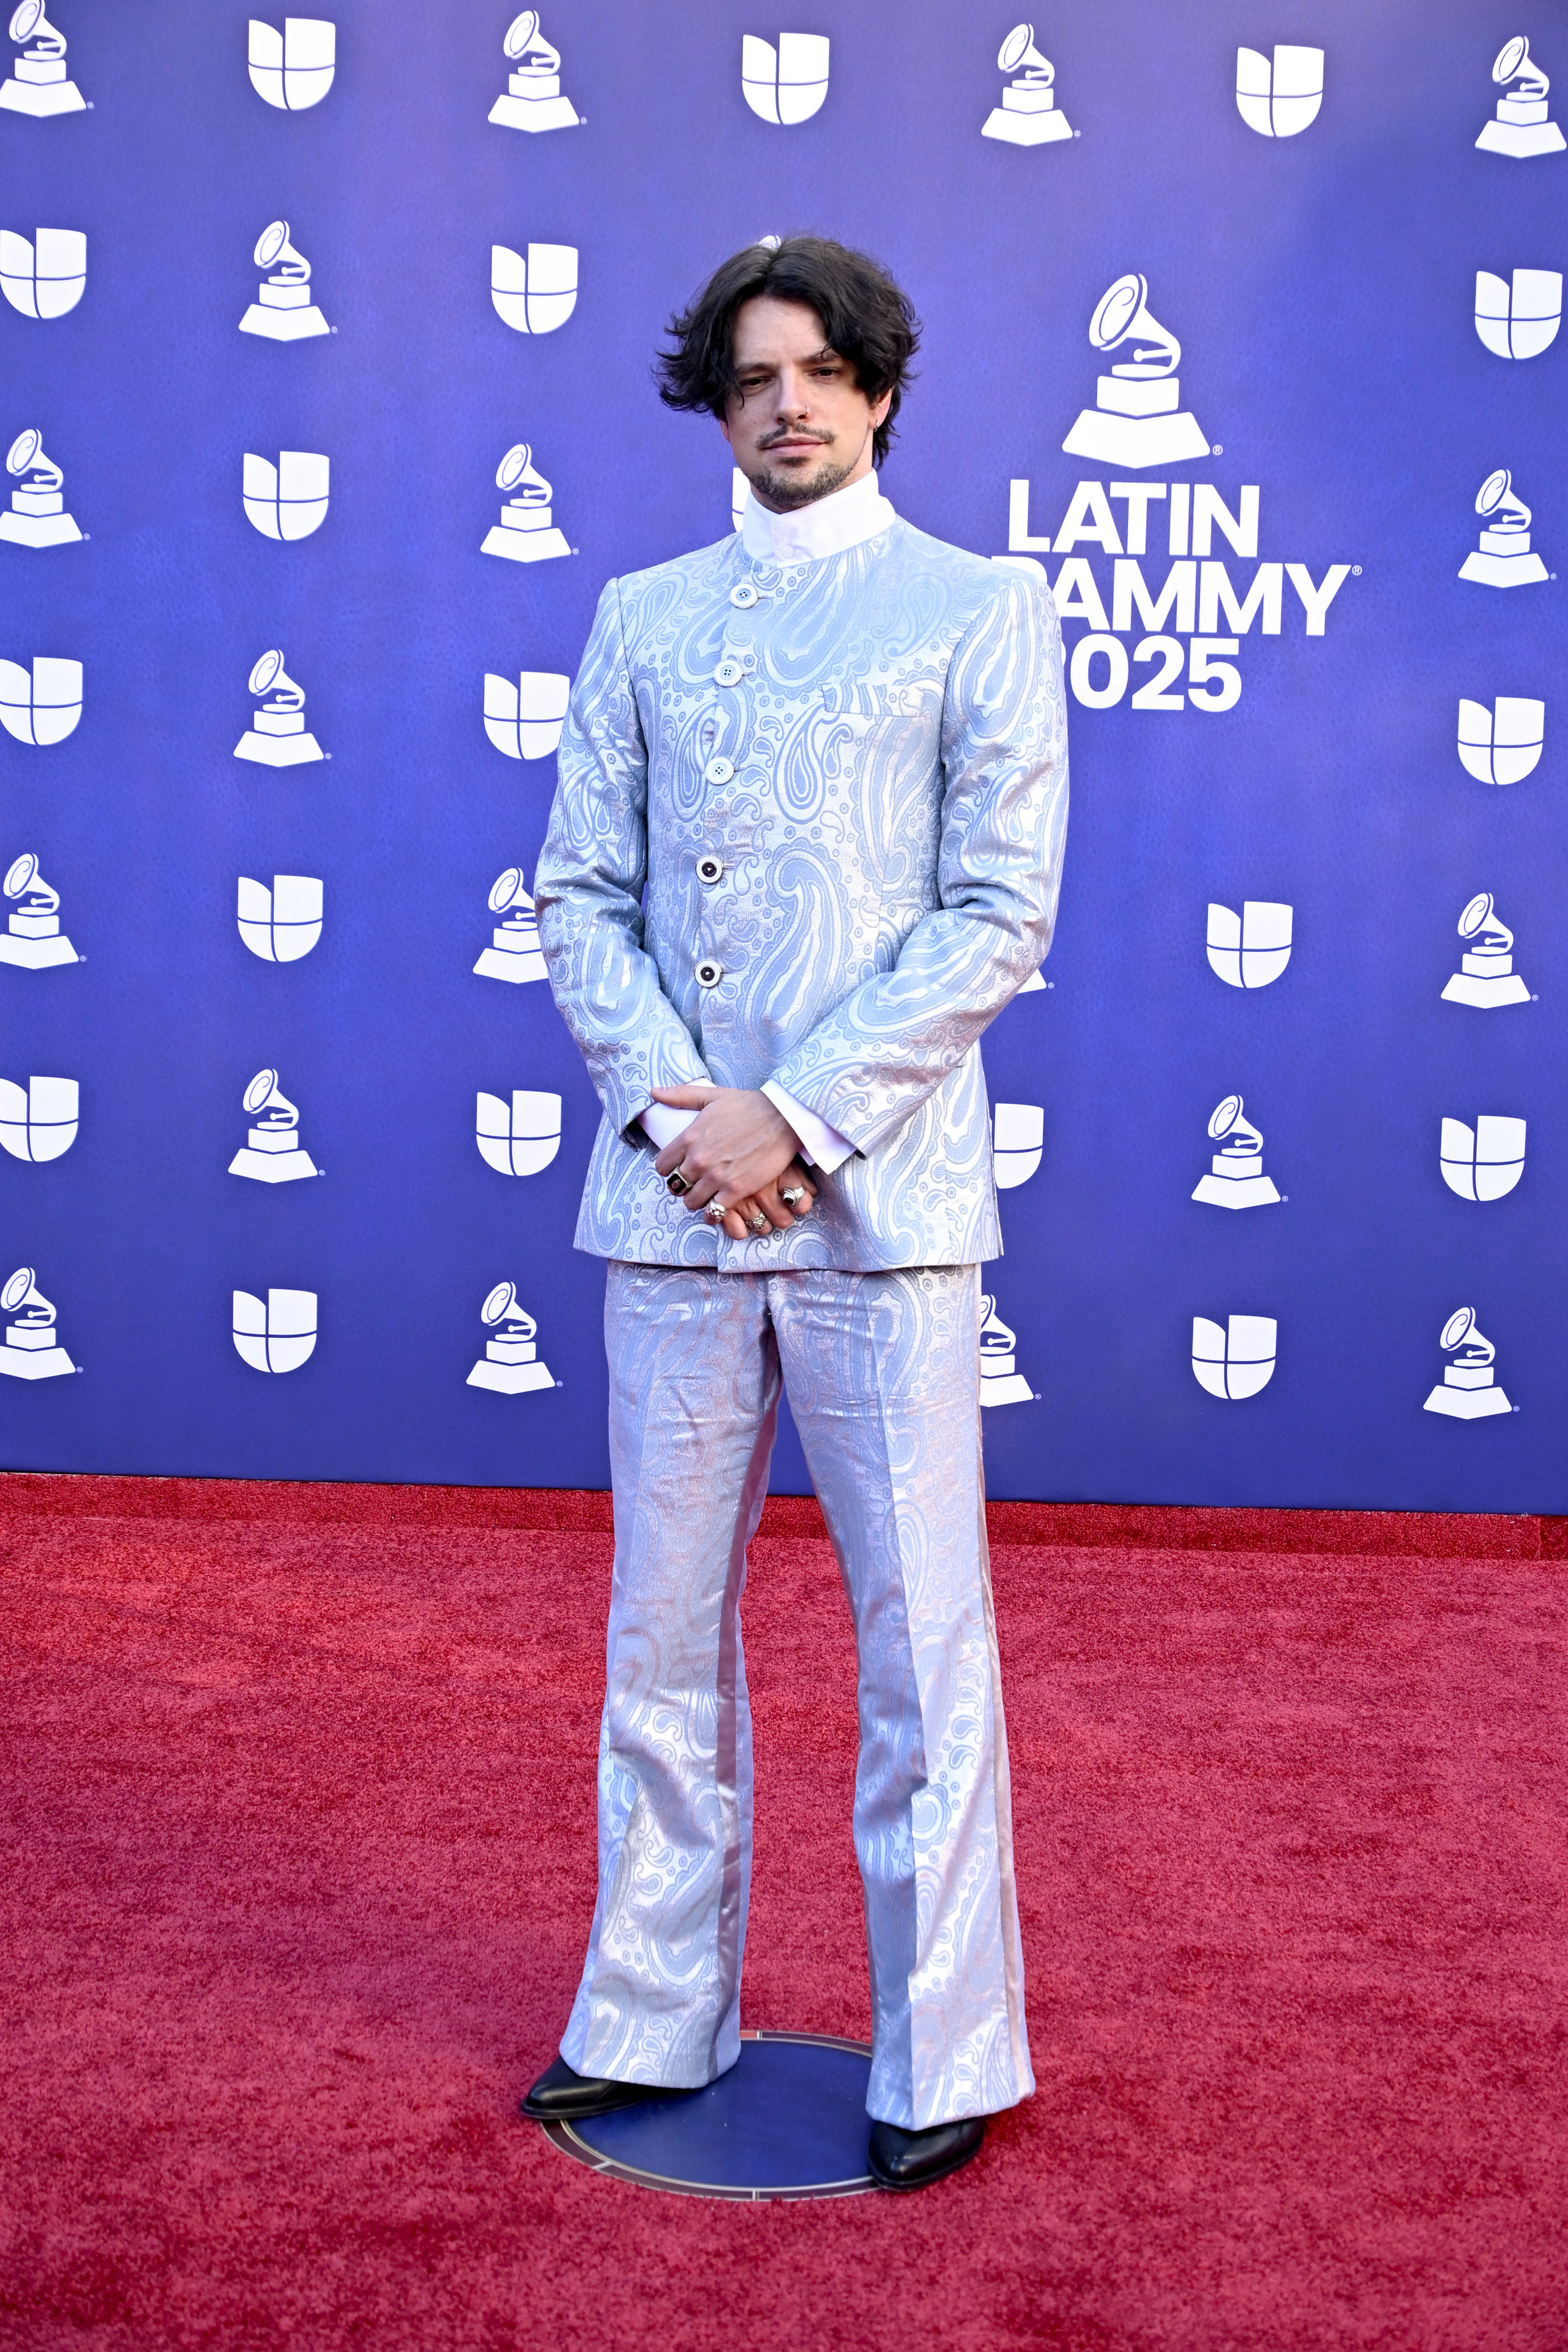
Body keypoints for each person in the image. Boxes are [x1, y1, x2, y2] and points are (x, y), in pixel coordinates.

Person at [526, 235, 1068, 2192]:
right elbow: (578, 890)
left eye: (825, 370)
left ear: (884, 389)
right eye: (755, 375)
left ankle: (948, 2048)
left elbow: (999, 911)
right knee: (660, 1637)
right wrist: (691, 1114)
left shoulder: (980, 605)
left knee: (926, 1643)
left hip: (886, 1207)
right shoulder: (640, 616)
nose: (792, 403)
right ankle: (649, 2009)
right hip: (671, 1205)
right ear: (714, 398)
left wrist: (800, 1117)